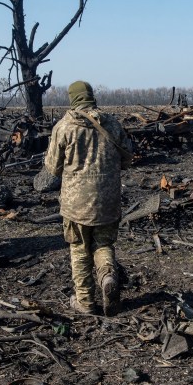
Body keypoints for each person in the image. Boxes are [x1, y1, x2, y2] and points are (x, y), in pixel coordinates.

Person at [44, 81, 134, 316]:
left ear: (72, 98)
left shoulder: (64, 127)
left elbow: (53, 168)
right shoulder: (113, 124)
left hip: (76, 204)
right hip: (108, 200)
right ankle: (107, 277)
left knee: (79, 249)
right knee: (104, 244)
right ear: (91, 96)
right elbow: (127, 159)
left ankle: (85, 301)